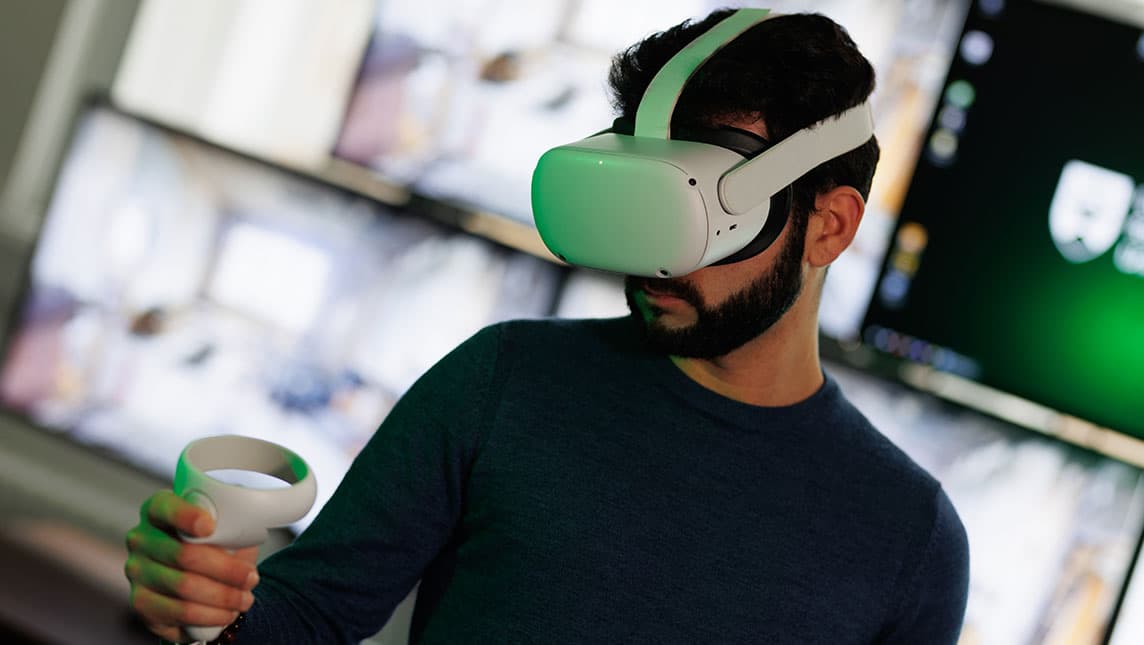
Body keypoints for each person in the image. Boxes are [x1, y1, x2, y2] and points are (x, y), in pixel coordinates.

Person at [125, 10, 969, 644]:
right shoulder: (505, 379)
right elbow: (306, 617)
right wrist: (204, 608)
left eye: (706, 216)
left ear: (831, 225)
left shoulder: (911, 539)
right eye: (647, 206)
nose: (663, 260)